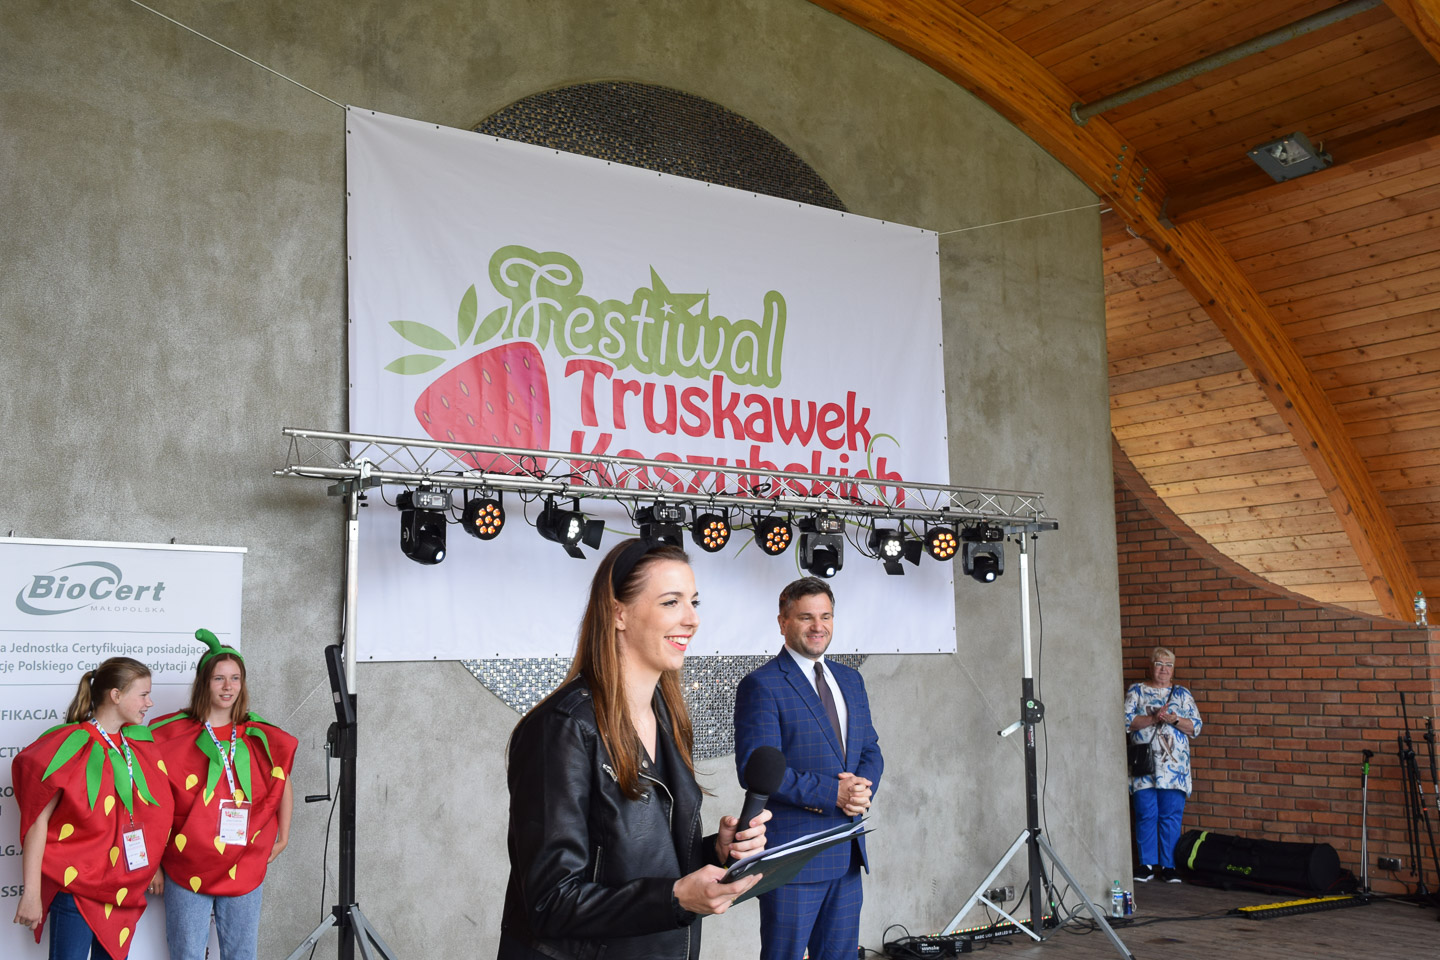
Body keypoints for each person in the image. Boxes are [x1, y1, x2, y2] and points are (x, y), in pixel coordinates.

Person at [498, 539, 770, 960]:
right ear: (619, 613)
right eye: (671, 602)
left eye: (694, 601)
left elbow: (638, 862)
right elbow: (550, 901)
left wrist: (715, 851)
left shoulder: (667, 717)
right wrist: (674, 899)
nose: (692, 619)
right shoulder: (562, 729)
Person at [733, 577, 883, 960]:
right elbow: (755, 770)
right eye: (806, 617)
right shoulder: (762, 685)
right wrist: (834, 793)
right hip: (793, 862)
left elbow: (870, 749)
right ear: (783, 622)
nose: (819, 626)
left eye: (826, 616)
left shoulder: (851, 680)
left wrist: (862, 788)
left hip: (847, 852)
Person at [148, 628, 298, 960]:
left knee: (241, 954)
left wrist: (284, 837)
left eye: (235, 678)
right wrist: (154, 863)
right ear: (204, 683)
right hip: (186, 863)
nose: (228, 686)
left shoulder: (258, 734)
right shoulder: (171, 734)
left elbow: (281, 781)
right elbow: (153, 803)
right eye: (219, 678)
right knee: (186, 953)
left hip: (245, 860)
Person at [11, 657, 174, 960]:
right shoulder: (72, 744)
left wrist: (153, 866)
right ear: (116, 695)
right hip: (76, 890)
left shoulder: (138, 746)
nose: (149, 703)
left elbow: (142, 816)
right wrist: (31, 893)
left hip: (123, 890)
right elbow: (37, 821)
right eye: (143, 694)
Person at [1124, 646, 1203, 883]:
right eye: (1159, 664)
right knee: (1145, 813)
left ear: (1173, 669)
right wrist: (1152, 718)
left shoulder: (1182, 694)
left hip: (1174, 769)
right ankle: (1146, 864)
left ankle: (1169, 866)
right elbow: (1126, 721)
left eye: (1169, 665)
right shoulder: (1137, 690)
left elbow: (1196, 727)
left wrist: (1174, 720)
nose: (1164, 669)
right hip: (1144, 765)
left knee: (1170, 815)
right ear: (1151, 667)